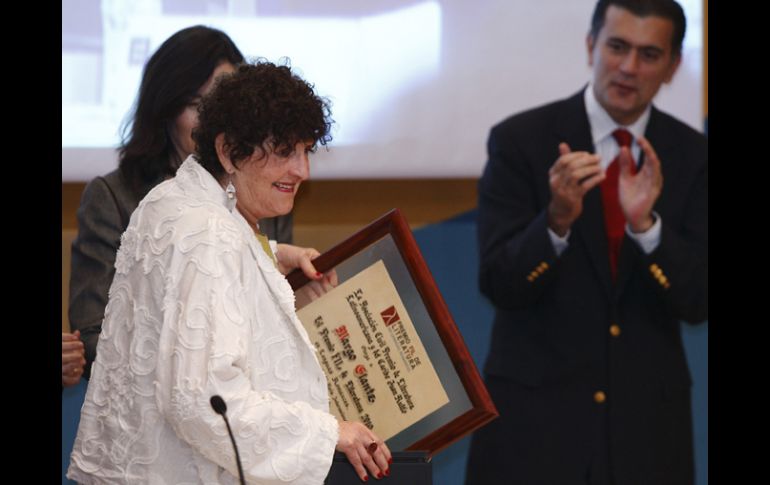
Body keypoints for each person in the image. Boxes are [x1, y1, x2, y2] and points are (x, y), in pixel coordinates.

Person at [67, 60, 391, 484]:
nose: (302, 171)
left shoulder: (172, 200)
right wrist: (330, 433)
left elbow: (192, 271)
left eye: (306, 150)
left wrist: (273, 255)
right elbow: (203, 400)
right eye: (283, 152)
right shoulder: (210, 234)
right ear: (227, 151)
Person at [465, 1, 707, 484]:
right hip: (535, 430)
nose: (628, 68)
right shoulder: (520, 141)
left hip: (647, 435)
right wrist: (554, 221)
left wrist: (647, 228)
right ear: (591, 44)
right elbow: (500, 283)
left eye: (649, 54)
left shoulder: (693, 155)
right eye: (617, 47)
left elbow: (697, 301)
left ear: (673, 67)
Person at [69, 26, 294, 380]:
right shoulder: (114, 197)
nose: (214, 121)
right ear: (165, 111)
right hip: (158, 398)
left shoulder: (265, 188)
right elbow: (94, 335)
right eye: (197, 105)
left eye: (226, 105)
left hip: (254, 393)